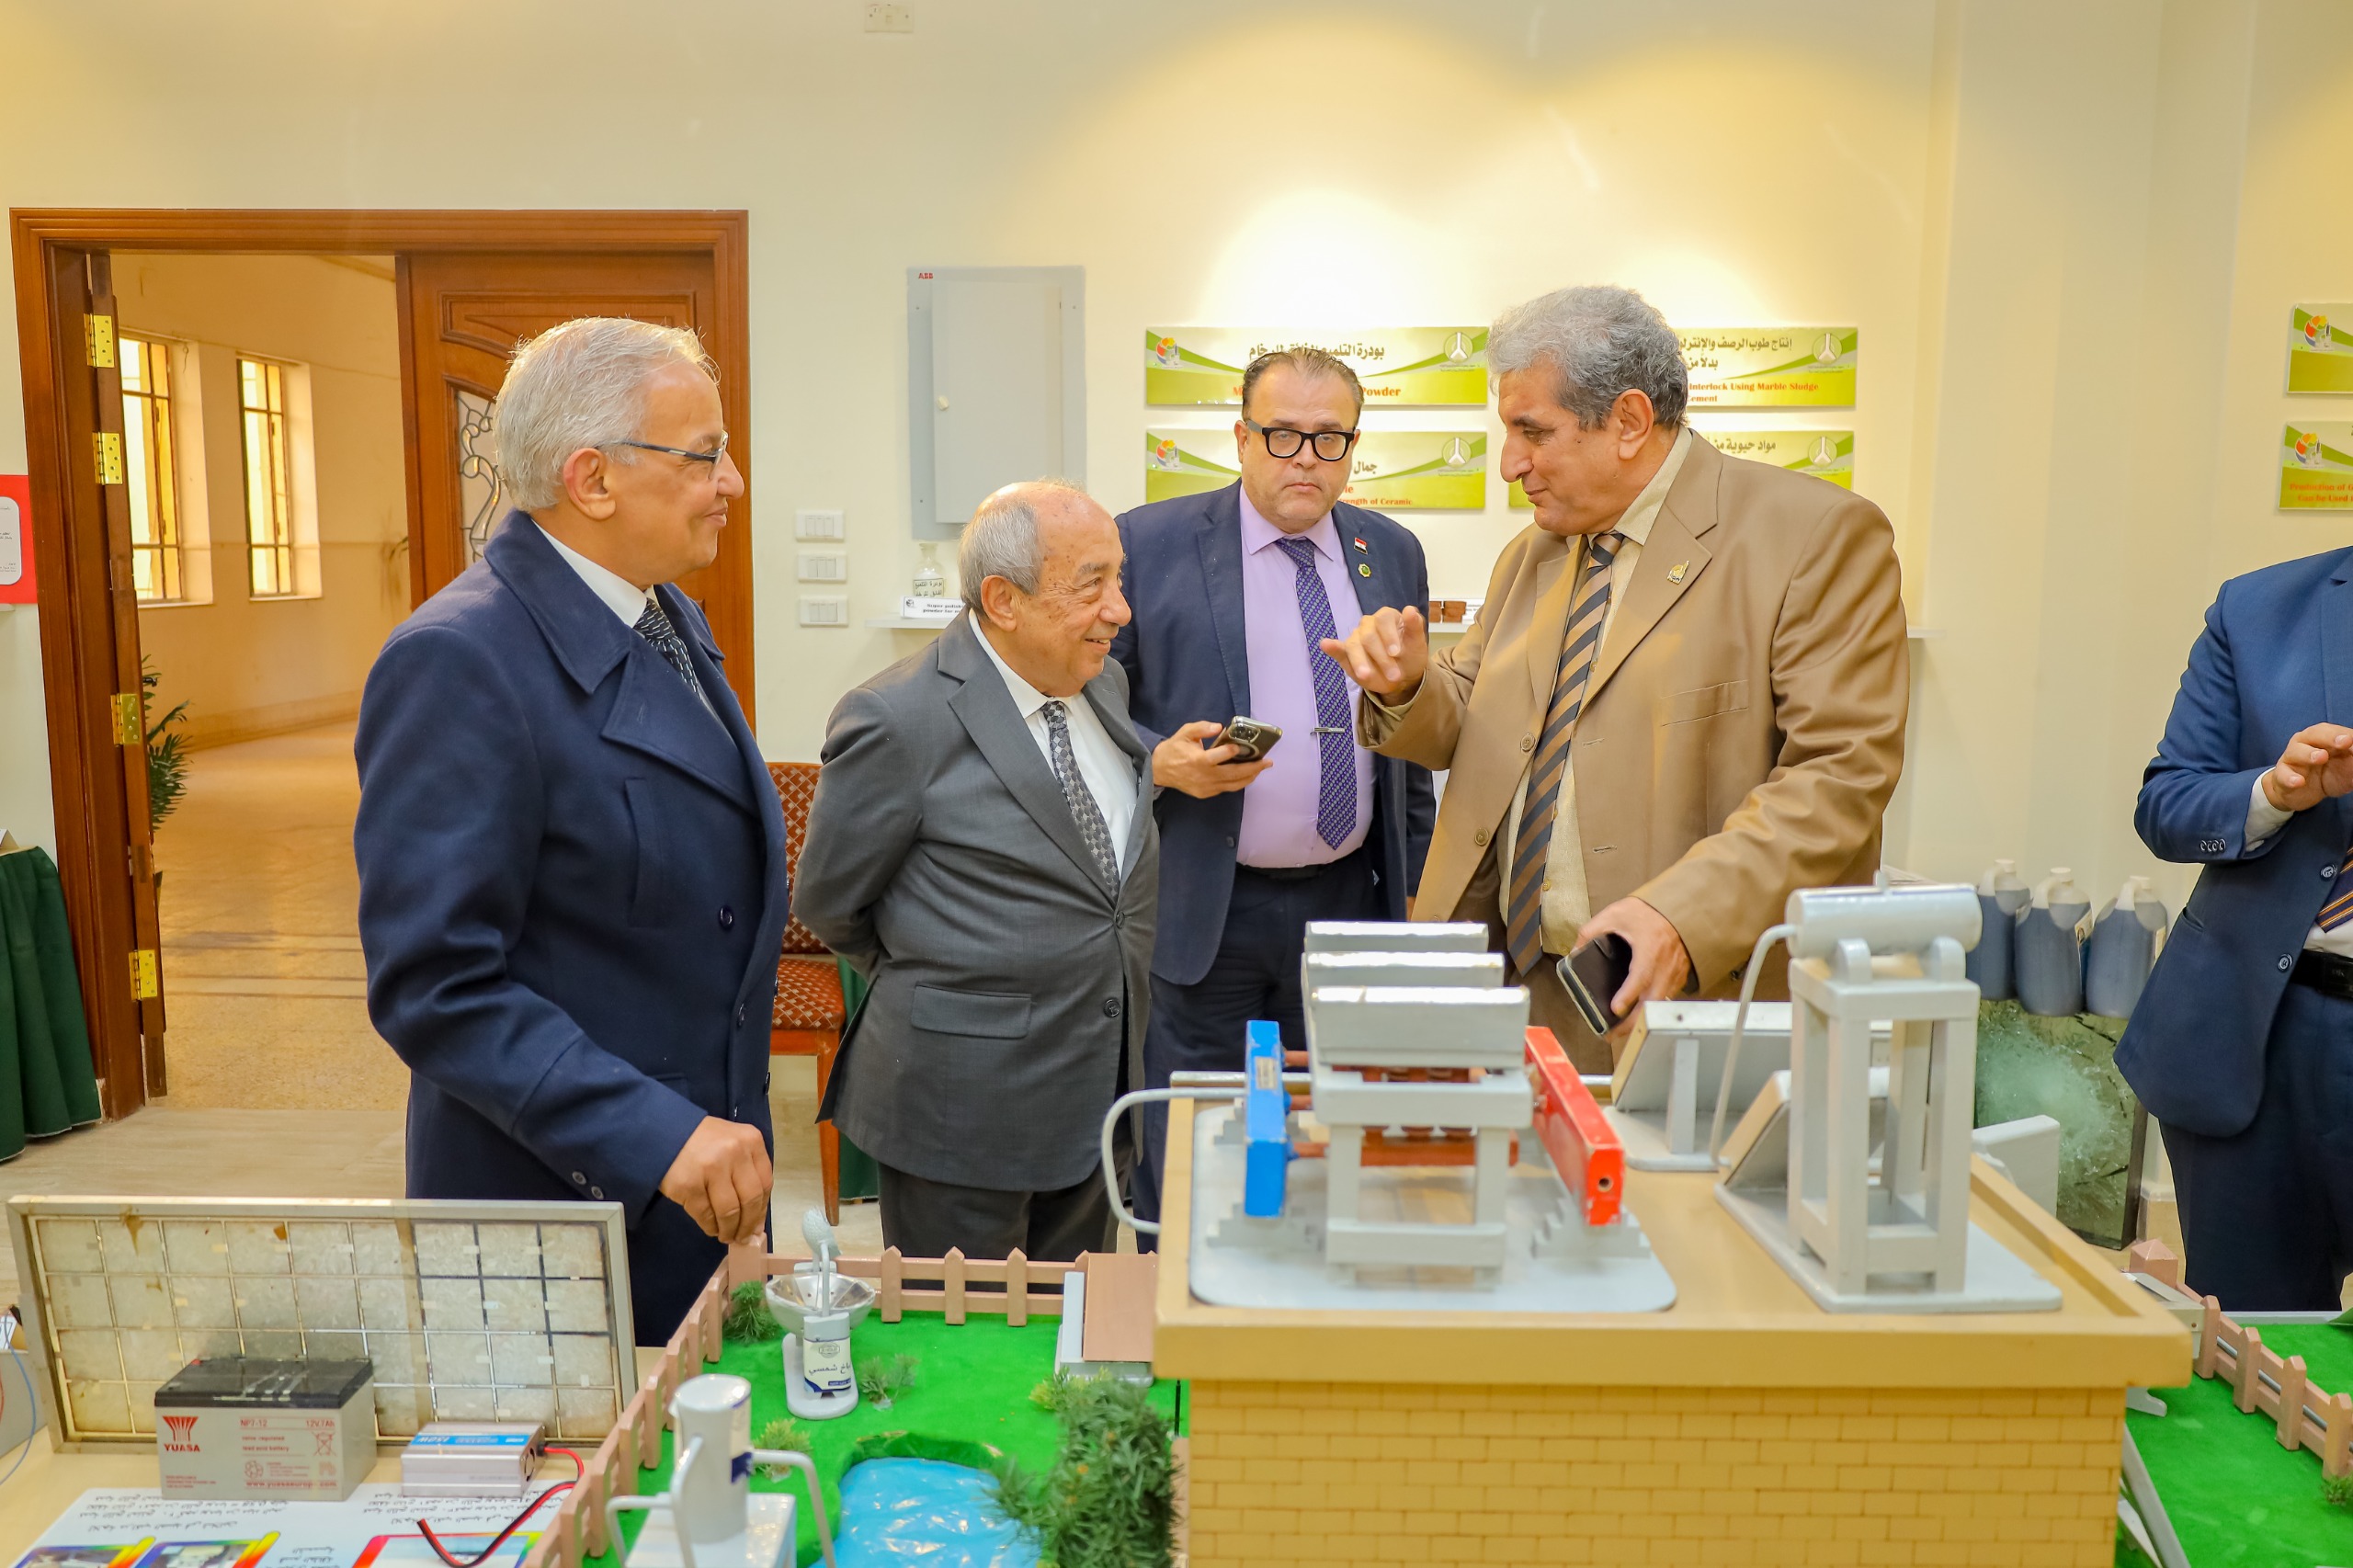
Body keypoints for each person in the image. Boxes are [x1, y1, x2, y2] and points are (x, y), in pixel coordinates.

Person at [1323, 285, 1909, 1071]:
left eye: (1533, 432)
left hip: (1678, 998)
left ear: (1629, 421)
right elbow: (1472, 715)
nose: (1510, 464)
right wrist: (1406, 686)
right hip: (1516, 987)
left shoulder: (1813, 538)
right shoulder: (1532, 555)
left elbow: (1838, 776)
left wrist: (1680, 916)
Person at [355, 317, 784, 1344]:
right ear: (593, 479)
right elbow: (434, 984)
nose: (731, 483)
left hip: (691, 1185)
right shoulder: (460, 660)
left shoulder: (662, 612)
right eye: (704, 455)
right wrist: (657, 1133)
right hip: (563, 1207)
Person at [1109, 347, 1434, 1227]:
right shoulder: (1148, 544)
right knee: (1189, 1150)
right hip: (1204, 908)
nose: (1305, 458)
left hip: (1349, 908)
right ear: (1242, 437)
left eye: (1330, 439)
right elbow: (1087, 705)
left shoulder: (1390, 551)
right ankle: (1179, 1294)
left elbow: (1410, 733)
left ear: (1353, 446)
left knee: (1333, 1147)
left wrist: (1418, 885)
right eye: (1283, 434)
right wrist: (1155, 761)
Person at [795, 482, 1156, 1262]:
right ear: (1003, 600)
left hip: (1095, 1095)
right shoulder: (898, 718)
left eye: (1119, 578)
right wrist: (946, 980)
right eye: (1091, 584)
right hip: (961, 1112)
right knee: (966, 1329)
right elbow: (828, 903)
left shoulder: (1103, 682)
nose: (1121, 609)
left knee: (1072, 1322)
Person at [2119, 550, 2353, 1310]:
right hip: (2253, 1038)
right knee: (2254, 1341)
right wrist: (2273, 794)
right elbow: (2167, 805)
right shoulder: (2257, 609)